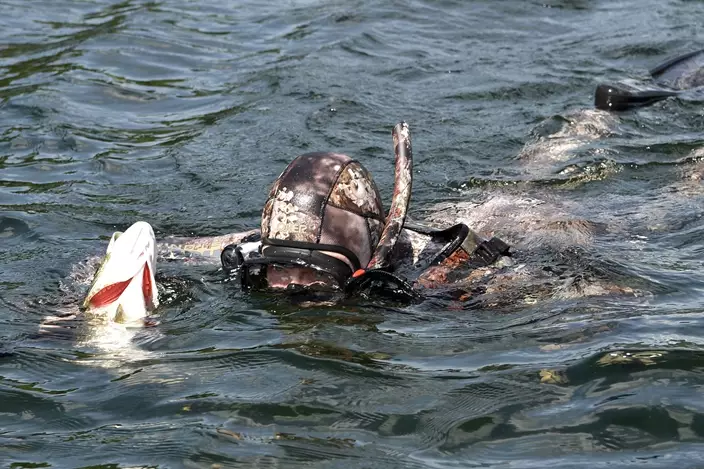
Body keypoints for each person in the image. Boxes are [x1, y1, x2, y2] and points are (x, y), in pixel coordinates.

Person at [82, 123, 510, 324]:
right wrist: (73, 314)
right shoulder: (259, 245)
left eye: (313, 271)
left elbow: (533, 293)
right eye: (281, 266)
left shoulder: (435, 267)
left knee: (523, 180)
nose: (292, 287)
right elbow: (140, 250)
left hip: (512, 215)